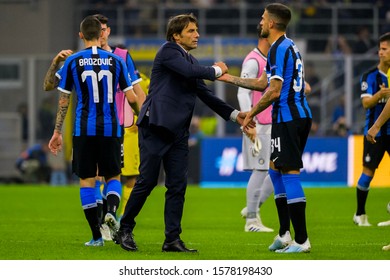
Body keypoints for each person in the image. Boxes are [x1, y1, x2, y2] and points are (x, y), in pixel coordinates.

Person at [117, 13, 254, 253]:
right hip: (156, 126)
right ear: (176, 35)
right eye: (191, 30)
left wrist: (235, 115)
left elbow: (205, 94)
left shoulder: (188, 61)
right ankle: (124, 229)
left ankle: (172, 239)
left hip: (178, 132)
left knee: (178, 186)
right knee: (147, 182)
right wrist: (216, 70)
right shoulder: (168, 51)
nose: (197, 34)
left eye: (196, 30)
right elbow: (194, 74)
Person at [218, 3, 312, 253]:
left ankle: (302, 241)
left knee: (289, 172)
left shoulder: (277, 49)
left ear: (271, 23)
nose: (259, 22)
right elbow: (262, 83)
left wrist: (251, 113)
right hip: (293, 116)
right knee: (274, 170)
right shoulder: (288, 46)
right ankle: (283, 234)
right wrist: (229, 79)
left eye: (262, 18)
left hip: (288, 118)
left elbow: (274, 90)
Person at [46, 15, 141, 246]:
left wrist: (57, 132)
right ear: (101, 34)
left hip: (83, 129)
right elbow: (131, 97)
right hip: (111, 129)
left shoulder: (73, 61)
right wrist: (141, 116)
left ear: (81, 36)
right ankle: (111, 210)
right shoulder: (116, 61)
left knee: (87, 181)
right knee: (113, 176)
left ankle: (97, 237)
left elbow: (63, 100)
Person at [92, 13, 146, 240]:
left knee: (125, 176)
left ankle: (118, 218)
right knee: (95, 176)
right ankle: (101, 226)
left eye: (104, 29)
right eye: (97, 29)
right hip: (92, 126)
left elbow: (137, 90)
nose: (101, 33)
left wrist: (145, 118)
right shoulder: (85, 58)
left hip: (121, 127)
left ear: (109, 31)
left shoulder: (123, 56)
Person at [236, 23, 274, 233]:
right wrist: (249, 121)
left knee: (278, 170)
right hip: (258, 125)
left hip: (272, 123)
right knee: (260, 170)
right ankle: (251, 220)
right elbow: (243, 92)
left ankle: (253, 207)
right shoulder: (253, 60)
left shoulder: (269, 61)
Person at [353, 32, 390, 227]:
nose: (381, 52)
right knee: (368, 171)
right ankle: (360, 213)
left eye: (385, 49)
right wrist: (379, 95)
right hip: (374, 132)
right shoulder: (370, 76)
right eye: (380, 49)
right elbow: (366, 103)